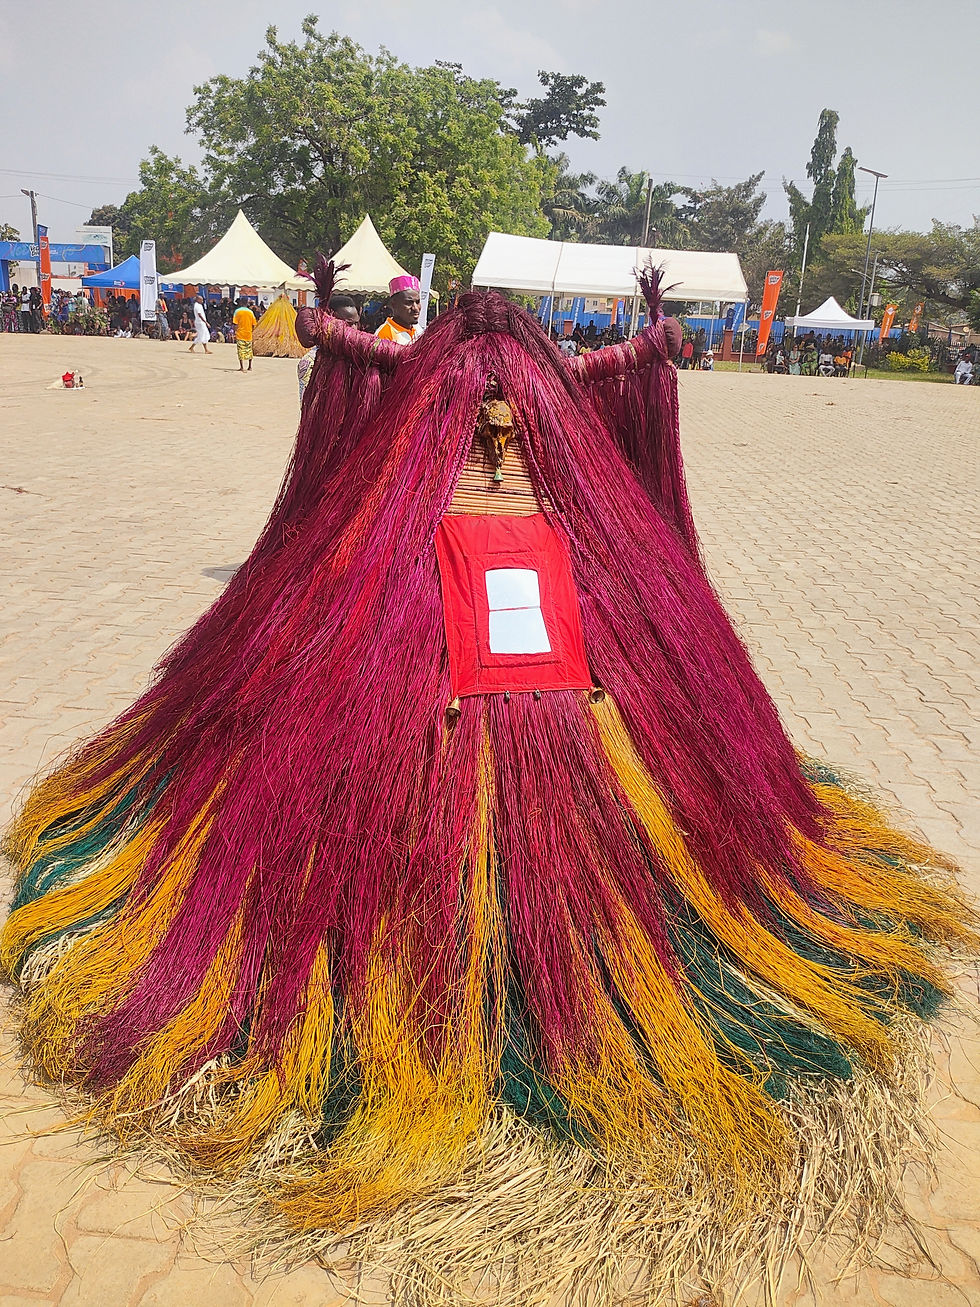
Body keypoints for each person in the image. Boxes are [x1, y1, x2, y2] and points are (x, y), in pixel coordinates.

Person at [3, 263, 974, 1306]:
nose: (498, 428)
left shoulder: (438, 385)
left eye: (510, 417)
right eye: (489, 419)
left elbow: (364, 350)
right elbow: (615, 362)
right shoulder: (528, 393)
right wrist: (639, 337)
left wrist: (338, 323)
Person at [374, 274, 423, 343]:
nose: (416, 308)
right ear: (393, 304)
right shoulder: (384, 335)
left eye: (417, 302)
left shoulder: (418, 331)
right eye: (409, 303)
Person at [232, 298, 257, 372]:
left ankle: (242, 367)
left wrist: (235, 332)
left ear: (240, 303)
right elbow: (253, 324)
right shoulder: (251, 312)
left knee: (240, 351)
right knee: (249, 350)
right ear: (247, 303)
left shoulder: (237, 311)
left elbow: (235, 323)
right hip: (248, 334)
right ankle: (250, 366)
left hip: (240, 334)